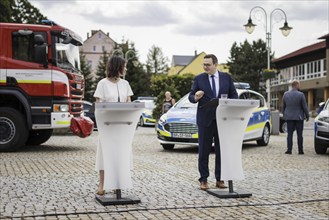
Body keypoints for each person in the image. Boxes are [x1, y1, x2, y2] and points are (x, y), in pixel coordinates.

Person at [188, 54, 238, 190]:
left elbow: (234, 95)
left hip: (222, 120)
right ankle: (203, 180)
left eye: (208, 64)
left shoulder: (226, 78)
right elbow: (191, 97)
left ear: (216, 64)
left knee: (221, 151)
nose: (205, 67)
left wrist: (228, 103)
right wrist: (196, 97)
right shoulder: (199, 79)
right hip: (205, 120)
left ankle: (220, 179)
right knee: (203, 151)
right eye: (204, 64)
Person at [93, 56, 133, 195]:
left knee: (120, 155)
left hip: (122, 127)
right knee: (104, 155)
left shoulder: (125, 84)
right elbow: (98, 106)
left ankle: (118, 184)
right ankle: (102, 184)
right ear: (117, 67)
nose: (126, 68)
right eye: (124, 66)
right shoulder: (102, 84)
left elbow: (129, 103)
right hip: (107, 126)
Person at [282, 80, 309, 155]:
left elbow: (283, 107)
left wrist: (284, 115)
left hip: (289, 117)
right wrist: (307, 115)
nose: (299, 86)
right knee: (299, 134)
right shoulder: (301, 95)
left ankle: (289, 149)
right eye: (299, 85)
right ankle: (300, 150)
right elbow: (305, 107)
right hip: (299, 117)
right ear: (296, 85)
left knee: (289, 134)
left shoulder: (285, 94)